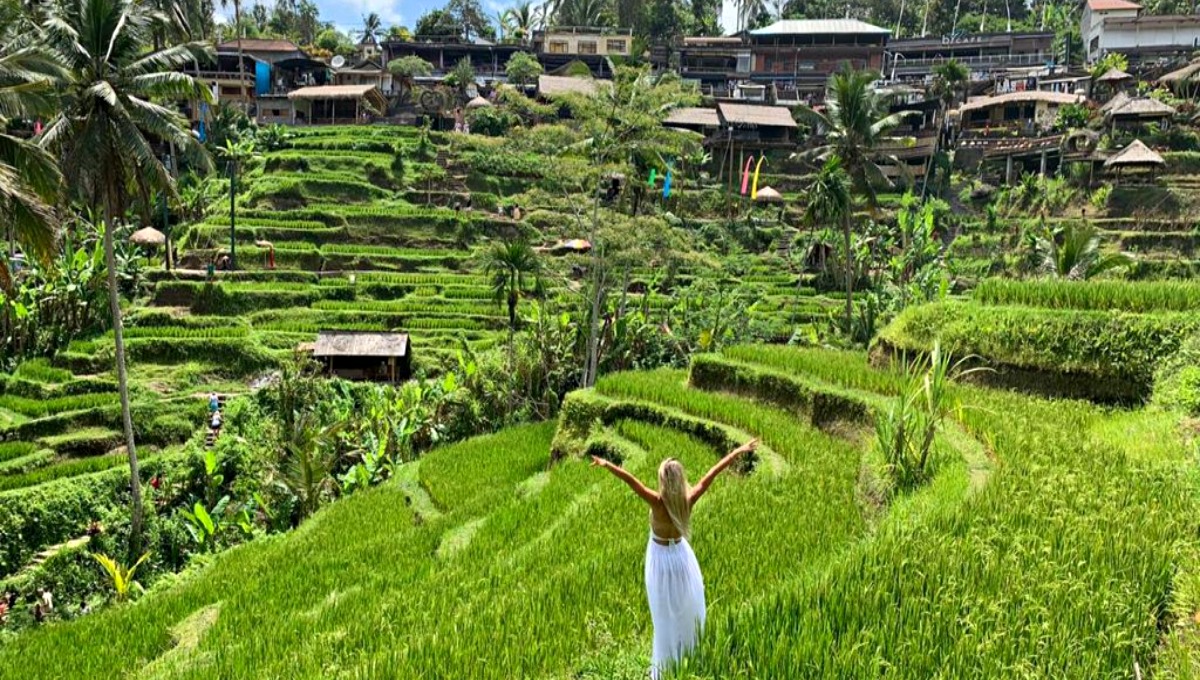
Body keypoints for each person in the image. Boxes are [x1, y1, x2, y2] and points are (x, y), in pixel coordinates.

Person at [592, 439, 759, 679]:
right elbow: (711, 474)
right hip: (682, 558)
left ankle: (666, 669)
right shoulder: (687, 500)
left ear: (663, 481)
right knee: (686, 612)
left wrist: (607, 464)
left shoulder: (657, 503)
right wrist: (737, 452)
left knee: (663, 618)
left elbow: (630, 481)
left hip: (660, 560)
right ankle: (690, 660)